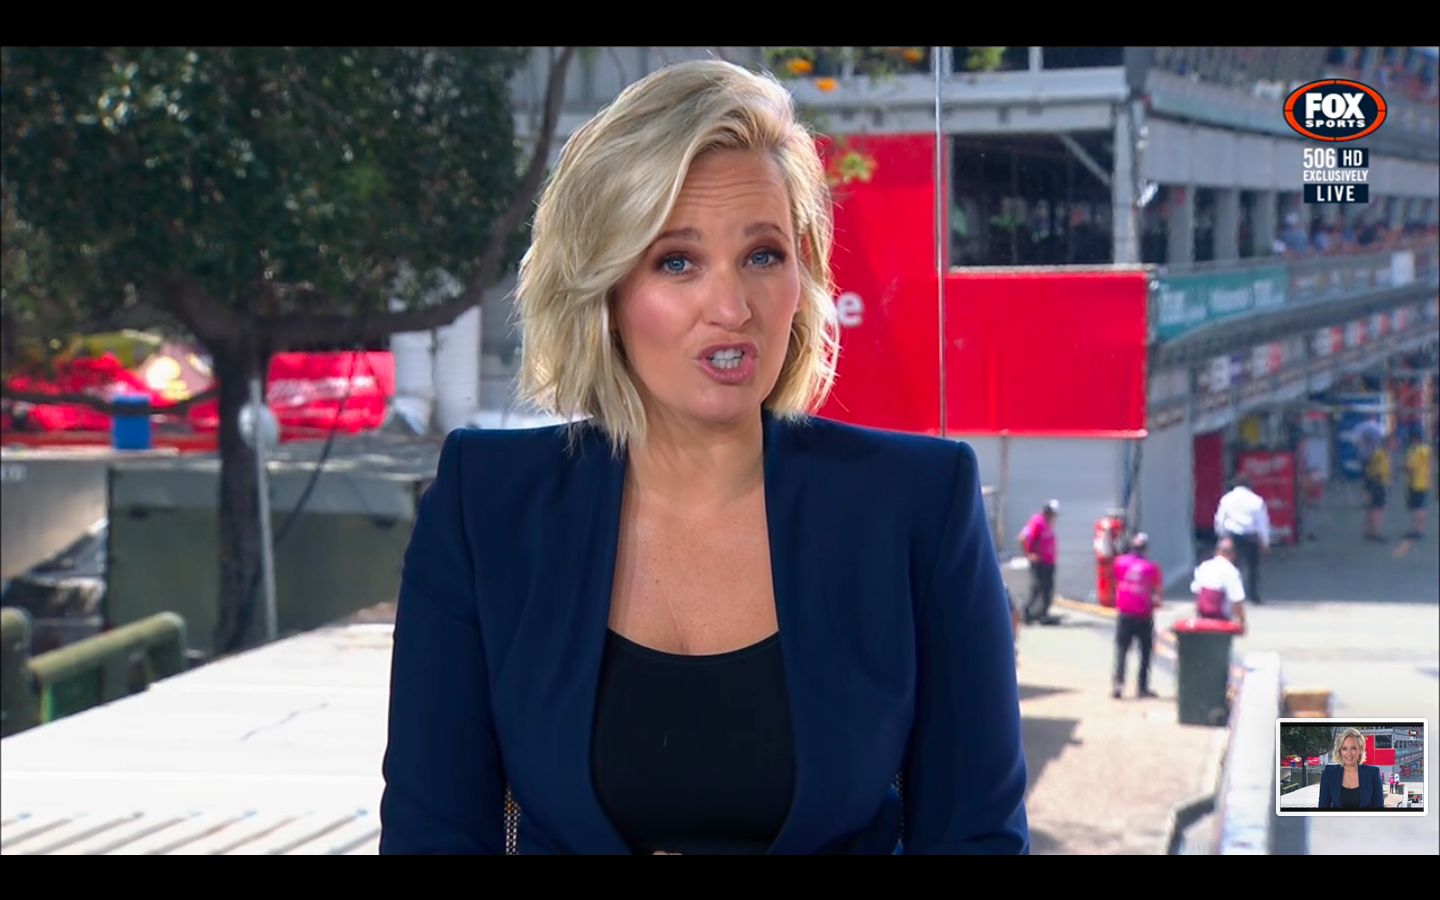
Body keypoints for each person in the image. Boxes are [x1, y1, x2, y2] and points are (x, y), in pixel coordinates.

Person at [379, 60, 1028, 855]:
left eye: (763, 255)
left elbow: (975, 838)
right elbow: (433, 835)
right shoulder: (485, 504)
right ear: (605, 293)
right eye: (677, 262)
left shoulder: (919, 504)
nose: (731, 308)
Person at [1112, 532, 1162, 700]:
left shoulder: (1120, 563)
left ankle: (1118, 685)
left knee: (1122, 650)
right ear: (1146, 549)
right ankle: (1142, 687)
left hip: (1125, 613)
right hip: (1143, 615)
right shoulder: (1151, 568)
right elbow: (1157, 593)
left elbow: (1115, 580)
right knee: (1145, 652)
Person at [1214, 476, 1270, 604]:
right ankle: (1253, 596)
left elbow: (1220, 519)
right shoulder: (1256, 500)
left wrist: (1221, 536)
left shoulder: (1226, 499)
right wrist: (1265, 542)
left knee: (1231, 567)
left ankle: (1231, 595)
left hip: (1232, 536)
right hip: (1251, 537)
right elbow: (1262, 523)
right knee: (1252, 568)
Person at [1190, 537, 1248, 634]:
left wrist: (1196, 617)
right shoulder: (1231, 571)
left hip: (1203, 617)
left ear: (1216, 551)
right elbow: (1237, 600)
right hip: (1221, 620)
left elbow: (1197, 593)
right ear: (1232, 554)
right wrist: (1242, 623)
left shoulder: (1204, 566)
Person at [1318, 728, 1385, 810]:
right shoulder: (1329, 772)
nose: (1349, 753)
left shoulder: (1373, 773)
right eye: (1344, 748)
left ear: (1360, 750)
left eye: (1353, 748)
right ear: (1340, 751)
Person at [1019, 500, 1061, 625]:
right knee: (1038, 587)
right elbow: (1022, 538)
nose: (1053, 516)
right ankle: (1027, 612)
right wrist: (1028, 555)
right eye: (1051, 513)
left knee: (1048, 589)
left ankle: (1043, 614)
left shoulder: (1048, 524)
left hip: (1049, 562)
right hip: (1040, 562)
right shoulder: (1037, 522)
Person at [1403, 431, 1432, 539]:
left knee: (1417, 507)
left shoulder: (1416, 451)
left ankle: (1417, 530)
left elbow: (1411, 467)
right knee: (1420, 506)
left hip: (1416, 482)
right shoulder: (1426, 449)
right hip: (1423, 481)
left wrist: (1401, 467)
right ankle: (1419, 529)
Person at [1364, 437, 1392, 542]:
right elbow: (1380, 471)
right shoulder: (1382, 455)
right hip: (1379, 484)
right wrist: (1386, 481)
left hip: (1373, 482)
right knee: (1378, 509)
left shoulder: (1377, 453)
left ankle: (1370, 531)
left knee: (1372, 508)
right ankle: (1376, 532)